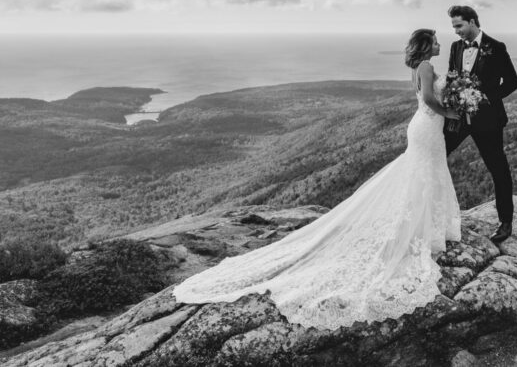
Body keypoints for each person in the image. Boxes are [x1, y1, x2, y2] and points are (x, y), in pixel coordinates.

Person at [173, 29, 462, 331]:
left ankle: (423, 229)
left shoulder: (419, 67)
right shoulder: (427, 67)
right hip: (427, 127)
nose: (441, 44)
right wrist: (452, 113)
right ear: (427, 45)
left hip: (423, 129)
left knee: (424, 175)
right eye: (437, 40)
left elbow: (428, 97)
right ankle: (422, 232)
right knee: (424, 175)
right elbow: (429, 99)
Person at [444, 5, 517, 243]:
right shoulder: (455, 47)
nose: (456, 31)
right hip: (458, 119)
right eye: (454, 26)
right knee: (435, 154)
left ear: (473, 22)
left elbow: (512, 82)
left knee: (498, 169)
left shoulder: (496, 48)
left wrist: (485, 98)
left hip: (487, 120)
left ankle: (505, 222)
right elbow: (451, 77)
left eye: (459, 25)